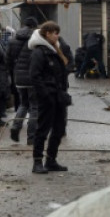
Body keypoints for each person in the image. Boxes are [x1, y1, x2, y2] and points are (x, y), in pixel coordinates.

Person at [28, 21, 72, 173]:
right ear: (47, 34)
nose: (57, 35)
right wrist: (45, 94)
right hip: (47, 97)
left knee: (59, 129)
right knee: (43, 129)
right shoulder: (39, 52)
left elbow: (63, 70)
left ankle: (51, 159)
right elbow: (35, 76)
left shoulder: (55, 50)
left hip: (59, 95)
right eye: (55, 32)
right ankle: (37, 161)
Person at [6, 17, 38, 143]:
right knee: (35, 107)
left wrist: (13, 72)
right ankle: (31, 137)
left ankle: (15, 126)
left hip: (18, 78)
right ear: (34, 26)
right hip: (32, 78)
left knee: (23, 104)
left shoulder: (13, 40)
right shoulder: (36, 40)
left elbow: (7, 59)